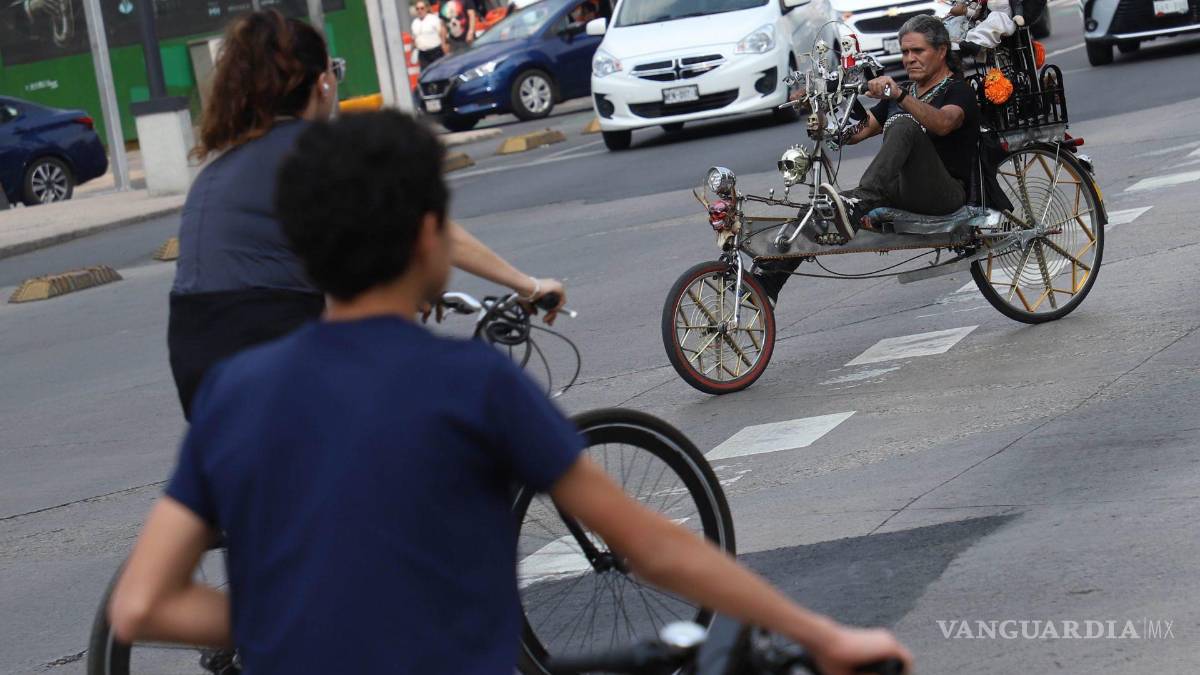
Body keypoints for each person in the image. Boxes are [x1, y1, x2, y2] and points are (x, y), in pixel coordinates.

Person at [108, 111, 913, 675]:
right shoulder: (472, 384)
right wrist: (821, 634)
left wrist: (294, 627)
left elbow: (141, 604)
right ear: (427, 235)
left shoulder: (236, 393)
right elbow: (651, 545)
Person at [168, 9, 564, 420]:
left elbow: (311, 255)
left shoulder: (217, 170)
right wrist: (530, 285)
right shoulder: (317, 150)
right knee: (436, 411)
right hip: (273, 351)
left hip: (198, 367)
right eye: (335, 70)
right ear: (323, 82)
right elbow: (428, 227)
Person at [755, 15, 979, 302]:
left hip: (944, 196)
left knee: (903, 123)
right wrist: (821, 115)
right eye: (905, 52)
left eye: (918, 51)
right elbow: (855, 133)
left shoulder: (958, 90)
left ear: (942, 51)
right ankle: (768, 283)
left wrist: (900, 96)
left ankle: (861, 201)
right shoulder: (903, 94)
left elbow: (944, 124)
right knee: (819, 209)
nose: (909, 59)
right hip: (898, 192)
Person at [410, 1, 444, 70]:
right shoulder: (415, 22)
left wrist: (444, 45)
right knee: (426, 74)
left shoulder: (433, 19)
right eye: (417, 9)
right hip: (423, 54)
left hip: (435, 52)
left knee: (439, 72)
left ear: (426, 8)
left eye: (422, 8)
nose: (420, 11)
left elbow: (442, 32)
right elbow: (414, 38)